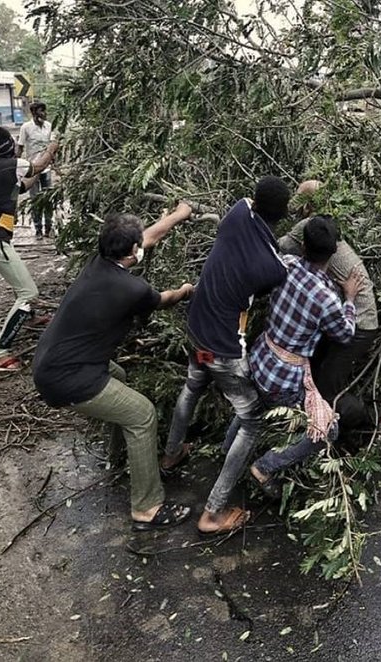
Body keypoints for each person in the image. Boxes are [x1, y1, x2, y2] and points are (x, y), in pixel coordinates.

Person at [33, 213, 195, 530]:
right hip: (69, 377)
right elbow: (165, 299)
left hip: (53, 361)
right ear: (132, 252)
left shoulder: (99, 262)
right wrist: (186, 290)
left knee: (118, 376)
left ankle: (118, 455)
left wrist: (178, 214)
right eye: (138, 247)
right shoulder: (133, 289)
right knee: (142, 414)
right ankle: (147, 508)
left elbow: (147, 237)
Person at [161, 176, 291, 534]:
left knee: (192, 387)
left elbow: (251, 206)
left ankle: (171, 454)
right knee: (251, 420)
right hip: (224, 353)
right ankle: (214, 512)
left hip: (198, 336)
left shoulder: (236, 213)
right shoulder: (274, 269)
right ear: (285, 214)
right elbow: (267, 278)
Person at [247, 216, 362, 495]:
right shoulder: (326, 298)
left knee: (250, 409)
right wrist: (349, 299)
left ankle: (231, 450)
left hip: (259, 359)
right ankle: (265, 466)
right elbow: (345, 334)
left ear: (303, 245)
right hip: (284, 380)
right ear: (334, 252)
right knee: (327, 430)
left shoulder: (285, 264)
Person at [279, 181, 381, 447]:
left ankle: (374, 421)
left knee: (329, 387)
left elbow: (277, 249)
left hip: (357, 322)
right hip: (348, 314)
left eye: (298, 200)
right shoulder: (330, 226)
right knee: (318, 374)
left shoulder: (306, 228)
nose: (295, 207)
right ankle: (329, 427)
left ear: (308, 205)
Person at [0, 126, 58, 372]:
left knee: (20, 282)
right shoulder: (12, 164)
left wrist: (42, 163)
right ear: (9, 145)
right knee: (28, 293)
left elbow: (22, 186)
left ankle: (28, 318)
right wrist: (52, 147)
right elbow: (37, 167)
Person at [17, 101, 56, 238]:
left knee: (48, 198)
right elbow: (20, 147)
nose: (44, 114)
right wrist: (16, 166)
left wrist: (54, 160)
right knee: (35, 199)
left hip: (46, 168)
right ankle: (38, 228)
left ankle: (49, 227)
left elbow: (52, 145)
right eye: (41, 111)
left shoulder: (49, 126)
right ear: (34, 113)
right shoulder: (26, 128)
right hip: (31, 169)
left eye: (45, 111)